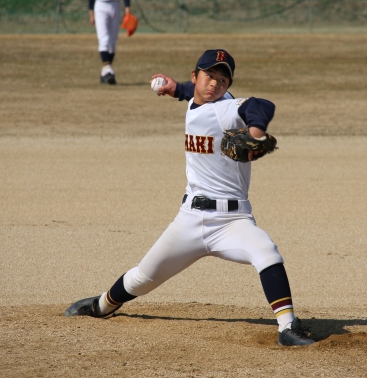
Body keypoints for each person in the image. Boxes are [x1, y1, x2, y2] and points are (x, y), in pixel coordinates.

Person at [64, 49, 315, 346]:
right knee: (143, 277)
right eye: (209, 76)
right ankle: (102, 305)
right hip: (189, 220)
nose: (215, 84)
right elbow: (192, 94)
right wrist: (176, 89)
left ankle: (287, 327)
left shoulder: (226, 109)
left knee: (267, 253)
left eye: (223, 79)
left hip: (232, 221)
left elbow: (261, 104)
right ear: (195, 76)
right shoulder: (198, 100)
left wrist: (256, 133)